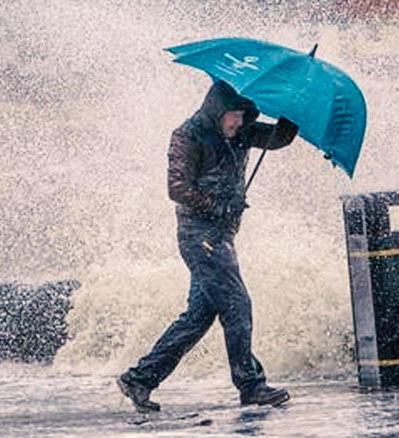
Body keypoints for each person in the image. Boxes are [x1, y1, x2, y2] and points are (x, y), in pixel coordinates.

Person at [117, 81, 298, 412]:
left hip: (222, 237)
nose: (238, 123)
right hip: (199, 236)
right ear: (217, 110)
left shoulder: (242, 132)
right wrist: (218, 206)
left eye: (244, 116)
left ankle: (139, 379)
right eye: (233, 116)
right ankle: (251, 385)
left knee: (198, 317)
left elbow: (278, 139)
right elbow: (176, 188)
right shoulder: (187, 135)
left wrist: (293, 111)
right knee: (237, 304)